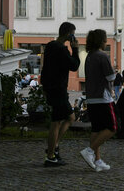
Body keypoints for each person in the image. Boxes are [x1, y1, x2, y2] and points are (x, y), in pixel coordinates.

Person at [40, 22, 80, 167]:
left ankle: (54, 146)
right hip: (58, 89)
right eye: (73, 33)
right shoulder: (62, 50)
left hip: (51, 87)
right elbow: (74, 65)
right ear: (69, 34)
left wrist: (43, 85)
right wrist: (75, 49)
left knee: (70, 117)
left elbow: (44, 68)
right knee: (56, 121)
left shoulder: (50, 46)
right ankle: (50, 155)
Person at [79, 29, 117, 172]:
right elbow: (111, 77)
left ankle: (97, 160)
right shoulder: (102, 56)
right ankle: (90, 151)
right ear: (102, 40)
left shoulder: (89, 56)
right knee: (112, 128)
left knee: (97, 128)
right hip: (103, 98)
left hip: (92, 97)